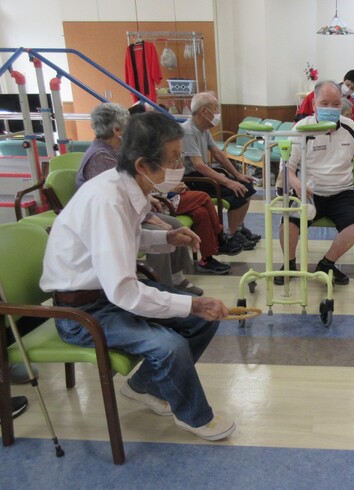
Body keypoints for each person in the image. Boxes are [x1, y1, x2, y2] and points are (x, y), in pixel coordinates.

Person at [40, 112, 235, 441]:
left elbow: (122, 240)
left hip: (106, 295)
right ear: (144, 164)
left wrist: (167, 238)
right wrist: (189, 306)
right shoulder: (107, 201)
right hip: (80, 313)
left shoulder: (127, 187)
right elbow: (125, 293)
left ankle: (143, 385)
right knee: (171, 345)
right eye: (174, 159)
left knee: (203, 318)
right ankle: (194, 416)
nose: (179, 166)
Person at [77, 103, 228, 280]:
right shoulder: (100, 157)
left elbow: (131, 189)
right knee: (163, 231)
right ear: (117, 130)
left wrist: (148, 198)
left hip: (129, 212)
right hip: (108, 221)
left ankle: (178, 278)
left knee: (175, 224)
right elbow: (123, 198)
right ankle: (163, 284)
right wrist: (153, 217)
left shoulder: (114, 152)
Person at [274, 81, 354, 286]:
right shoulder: (302, 129)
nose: (330, 108)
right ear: (314, 105)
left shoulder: (350, 126)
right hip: (309, 191)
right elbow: (287, 168)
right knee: (288, 223)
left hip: (342, 192)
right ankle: (290, 264)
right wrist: (297, 185)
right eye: (324, 103)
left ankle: (326, 264)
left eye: (336, 104)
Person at [181, 92, 261, 254]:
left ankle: (237, 229)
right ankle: (230, 236)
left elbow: (217, 153)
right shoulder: (188, 131)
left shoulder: (204, 129)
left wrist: (237, 175)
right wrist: (228, 182)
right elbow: (199, 165)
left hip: (202, 175)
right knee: (237, 191)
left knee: (246, 185)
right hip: (193, 179)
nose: (218, 111)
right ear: (204, 111)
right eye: (215, 107)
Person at [296, 70, 354, 138]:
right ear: (344, 80)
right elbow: (301, 116)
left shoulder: (350, 102)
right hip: (314, 134)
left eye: (352, 88)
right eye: (348, 85)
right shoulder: (320, 93)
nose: (348, 89)